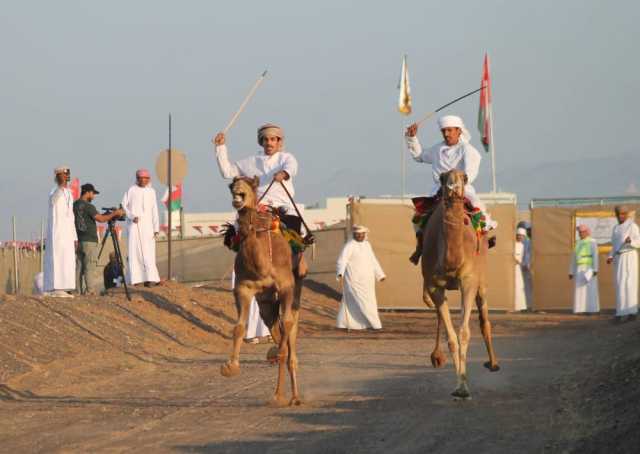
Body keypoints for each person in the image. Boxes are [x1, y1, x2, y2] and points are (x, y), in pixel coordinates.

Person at [213, 124, 308, 275]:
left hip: (282, 206)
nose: (269, 143)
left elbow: (292, 167)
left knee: (293, 231)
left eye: (273, 139)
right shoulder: (251, 162)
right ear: (261, 142)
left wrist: (283, 173)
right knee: (240, 230)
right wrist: (220, 147)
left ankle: (295, 265)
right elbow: (227, 172)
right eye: (266, 140)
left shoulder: (286, 158)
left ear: (279, 142)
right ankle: (244, 267)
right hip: (259, 207)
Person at [405, 115, 497, 264]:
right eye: (443, 131)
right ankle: (420, 247)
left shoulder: (467, 150)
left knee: (480, 215)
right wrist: (412, 138)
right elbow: (419, 156)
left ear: (459, 131)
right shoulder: (437, 149)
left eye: (449, 130)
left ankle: (483, 241)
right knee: (418, 218)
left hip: (461, 189)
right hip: (438, 191)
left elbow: (471, 171)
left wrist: (459, 182)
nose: (446, 134)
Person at [73, 183, 124, 295]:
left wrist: (107, 214)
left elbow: (90, 217)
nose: (94, 196)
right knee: (89, 266)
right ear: (88, 192)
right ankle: (90, 291)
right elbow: (100, 219)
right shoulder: (89, 206)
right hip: (90, 241)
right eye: (93, 193)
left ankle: (77, 291)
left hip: (80, 239)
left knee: (79, 267)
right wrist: (115, 213)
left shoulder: (75, 204)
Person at [336, 225, 386, 330]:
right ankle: (376, 325)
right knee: (364, 302)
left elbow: (373, 260)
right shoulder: (349, 246)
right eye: (357, 234)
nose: (360, 236)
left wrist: (380, 275)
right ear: (354, 235)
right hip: (354, 279)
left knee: (363, 301)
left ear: (365, 235)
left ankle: (348, 324)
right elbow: (342, 260)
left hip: (368, 280)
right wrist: (340, 272)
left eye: (362, 234)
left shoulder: (367, 245)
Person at [121, 169, 161, 287]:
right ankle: (136, 279)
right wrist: (132, 216)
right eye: (141, 178)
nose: (143, 180)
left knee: (149, 253)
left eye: (146, 178)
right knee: (135, 252)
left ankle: (150, 278)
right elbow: (123, 205)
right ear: (137, 178)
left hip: (148, 227)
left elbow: (154, 210)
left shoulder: (152, 191)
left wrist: (156, 228)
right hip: (134, 226)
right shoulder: (131, 190)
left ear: (149, 179)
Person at [43, 166, 77, 298]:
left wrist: (74, 236)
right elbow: (52, 201)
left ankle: (65, 286)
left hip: (68, 232)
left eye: (67, 175)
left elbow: (71, 215)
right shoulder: (54, 191)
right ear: (58, 177)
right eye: (63, 175)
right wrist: (60, 187)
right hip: (57, 231)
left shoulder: (69, 193)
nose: (66, 177)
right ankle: (55, 287)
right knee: (57, 258)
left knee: (67, 259)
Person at [607, 206, 640, 320]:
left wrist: (631, 241)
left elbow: (639, 242)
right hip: (619, 258)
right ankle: (620, 312)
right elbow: (614, 245)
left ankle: (632, 312)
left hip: (629, 256)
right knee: (620, 284)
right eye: (618, 214)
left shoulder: (632, 226)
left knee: (629, 284)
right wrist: (610, 256)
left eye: (622, 214)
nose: (620, 216)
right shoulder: (616, 228)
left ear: (626, 214)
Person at [569, 225, 600, 314]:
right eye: (579, 232)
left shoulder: (592, 242)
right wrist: (571, 271)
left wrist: (595, 269)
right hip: (579, 269)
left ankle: (591, 309)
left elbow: (595, 256)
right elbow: (573, 258)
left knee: (590, 289)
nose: (580, 234)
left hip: (589, 268)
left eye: (582, 232)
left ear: (587, 232)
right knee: (579, 289)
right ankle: (580, 309)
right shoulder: (577, 243)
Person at [514, 228, 530, 312]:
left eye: (521, 236)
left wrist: (519, 261)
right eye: (518, 235)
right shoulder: (512, 244)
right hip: (512, 268)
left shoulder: (523, 246)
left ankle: (520, 307)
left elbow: (523, 257)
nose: (520, 237)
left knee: (519, 287)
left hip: (518, 268)